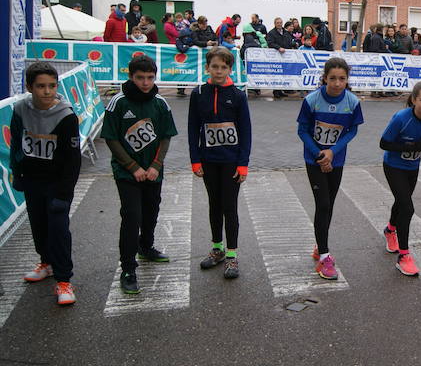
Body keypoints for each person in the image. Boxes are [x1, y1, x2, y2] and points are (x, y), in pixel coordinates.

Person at [100, 55, 178, 295]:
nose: (145, 82)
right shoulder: (118, 102)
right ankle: (128, 269)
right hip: (127, 173)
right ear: (131, 77)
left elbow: (165, 137)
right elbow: (111, 139)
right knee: (132, 216)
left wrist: (155, 165)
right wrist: (133, 167)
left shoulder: (160, 103)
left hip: (154, 171)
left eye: (150, 78)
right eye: (140, 78)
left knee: (151, 211)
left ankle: (146, 247)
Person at [10, 62, 81, 306]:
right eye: (41, 86)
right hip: (33, 180)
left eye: (52, 86)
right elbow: (16, 143)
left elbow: (73, 159)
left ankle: (63, 280)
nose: (47, 91)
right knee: (38, 225)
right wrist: (16, 172)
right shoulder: (20, 109)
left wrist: (65, 191)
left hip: (57, 182)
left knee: (58, 229)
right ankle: (46, 262)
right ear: (30, 87)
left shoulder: (66, 115)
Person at [298, 57, 364, 280]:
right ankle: (325, 256)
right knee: (323, 204)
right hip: (315, 159)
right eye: (333, 78)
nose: (337, 83)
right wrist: (320, 154)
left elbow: (352, 131)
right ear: (325, 78)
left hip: (336, 160)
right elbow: (303, 131)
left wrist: (332, 152)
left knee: (329, 205)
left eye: (342, 79)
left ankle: (320, 245)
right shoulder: (312, 100)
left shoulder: (352, 102)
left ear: (347, 80)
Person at [189, 47, 252, 280]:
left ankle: (232, 254)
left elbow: (246, 131)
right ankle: (217, 248)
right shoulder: (198, 93)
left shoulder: (237, 95)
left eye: (223, 67)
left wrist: (243, 163)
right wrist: (195, 159)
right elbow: (192, 127)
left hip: (231, 161)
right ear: (207, 67)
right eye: (214, 66)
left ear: (230, 69)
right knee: (214, 205)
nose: (219, 71)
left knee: (229, 206)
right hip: (208, 160)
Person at [379, 81, 421, 276]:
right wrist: (410, 147)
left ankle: (390, 230)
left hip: (412, 167)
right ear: (414, 100)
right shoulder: (401, 118)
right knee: (407, 207)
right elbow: (383, 143)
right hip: (393, 166)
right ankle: (404, 256)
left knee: (401, 202)